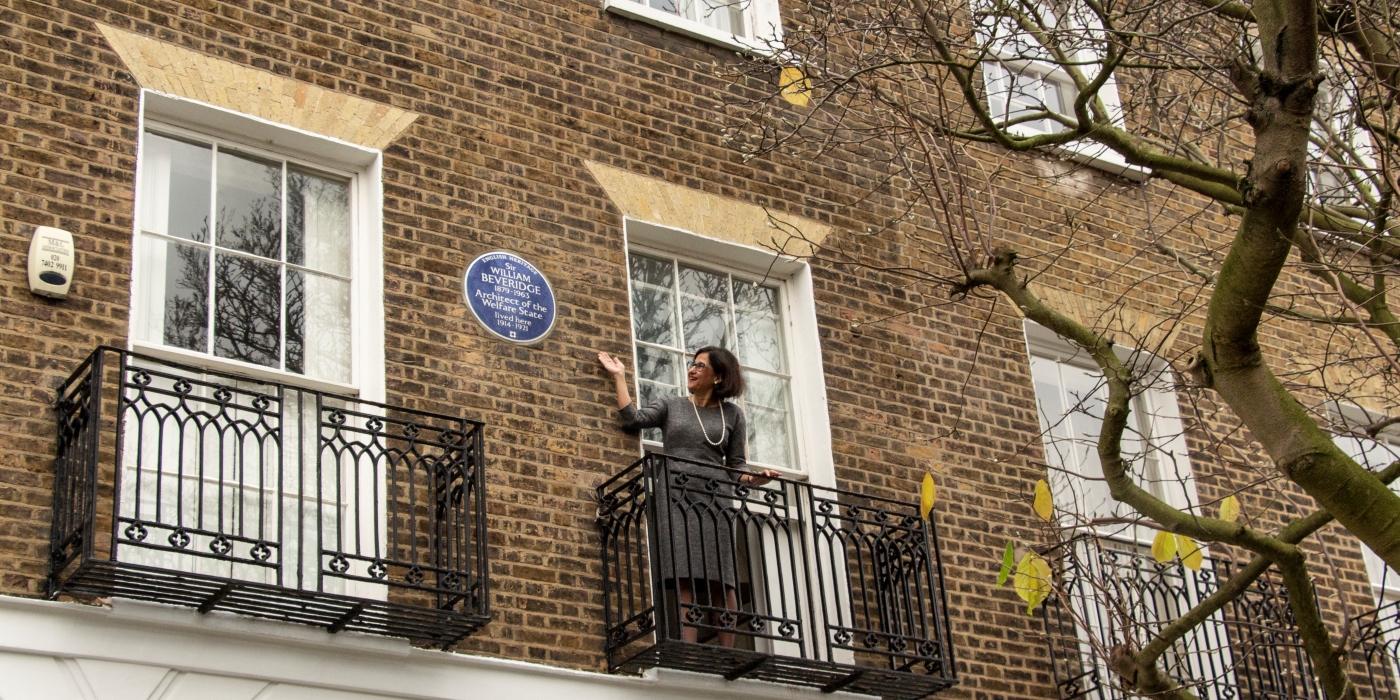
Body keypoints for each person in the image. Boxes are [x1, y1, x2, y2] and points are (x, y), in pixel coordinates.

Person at [598, 346, 780, 647]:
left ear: (718, 377)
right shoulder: (672, 405)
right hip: (677, 495)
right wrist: (619, 377)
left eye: (700, 365)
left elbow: (736, 467)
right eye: (691, 364)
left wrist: (757, 479)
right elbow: (632, 419)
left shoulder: (732, 415)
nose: (692, 370)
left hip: (717, 498)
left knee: (723, 576)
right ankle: (689, 648)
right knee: (684, 574)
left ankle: (729, 654)